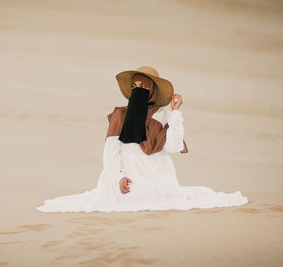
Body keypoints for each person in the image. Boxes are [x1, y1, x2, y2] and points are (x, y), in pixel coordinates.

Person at [36, 66, 248, 212]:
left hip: (157, 171)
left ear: (154, 91)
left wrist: (175, 113)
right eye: (135, 86)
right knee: (133, 194)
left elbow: (174, 146)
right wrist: (118, 177)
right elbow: (111, 151)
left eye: (144, 87)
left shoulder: (164, 115)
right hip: (126, 173)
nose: (139, 89)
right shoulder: (121, 114)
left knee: (169, 193)